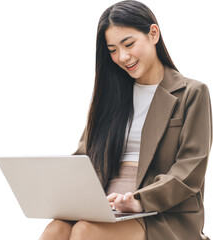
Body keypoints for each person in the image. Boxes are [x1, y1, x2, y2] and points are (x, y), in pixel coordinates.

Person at [39, 0, 212, 239]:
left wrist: (140, 199)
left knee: (84, 232)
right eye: (112, 50)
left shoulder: (192, 93)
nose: (122, 57)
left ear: (153, 34)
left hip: (160, 212)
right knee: (55, 229)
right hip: (105, 204)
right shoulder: (109, 96)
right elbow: (84, 157)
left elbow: (190, 169)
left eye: (129, 44)